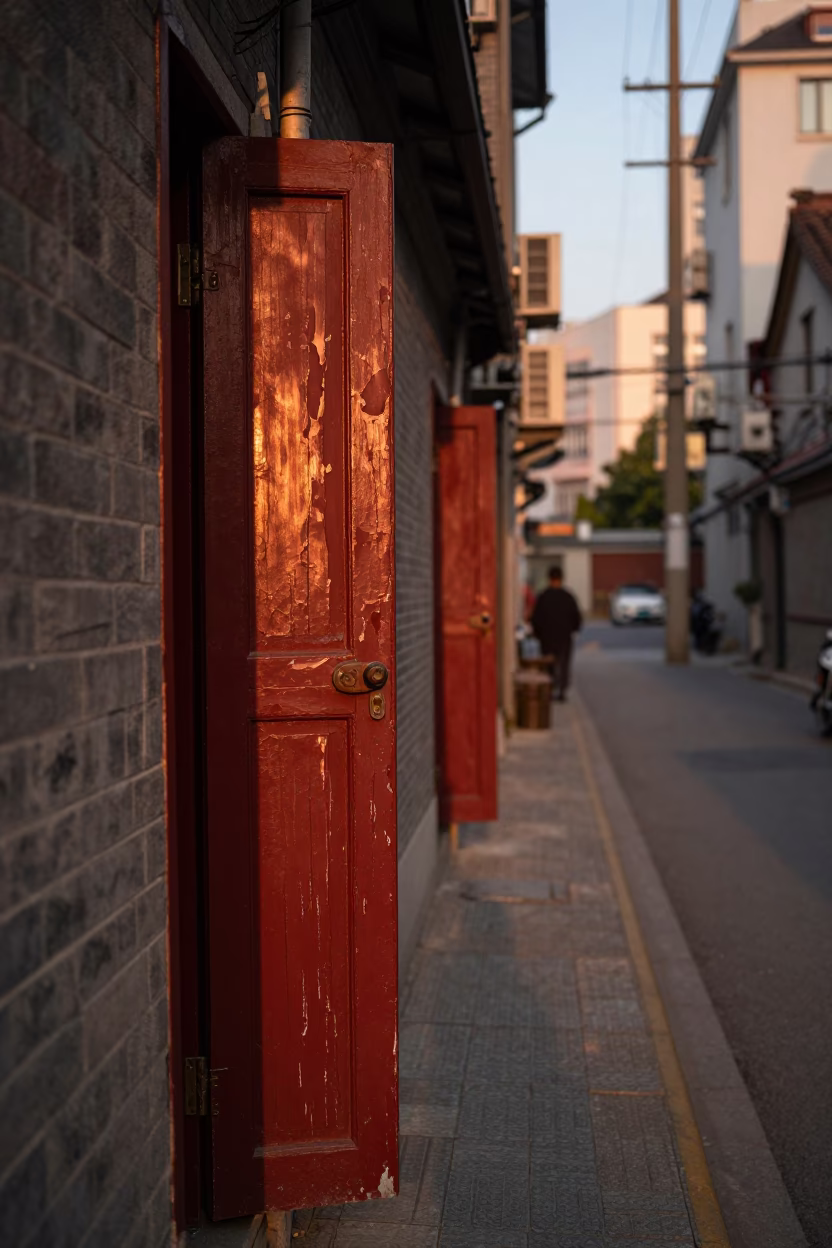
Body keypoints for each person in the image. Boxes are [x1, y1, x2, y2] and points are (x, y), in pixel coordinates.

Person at [531, 566, 583, 701]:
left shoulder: (543, 597)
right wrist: (574, 629)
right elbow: (576, 618)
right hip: (564, 636)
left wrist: (537, 633)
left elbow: (535, 618)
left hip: (546, 637)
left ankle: (549, 689)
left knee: (548, 663)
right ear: (561, 579)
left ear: (549, 578)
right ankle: (562, 691)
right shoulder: (568, 597)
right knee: (564, 663)